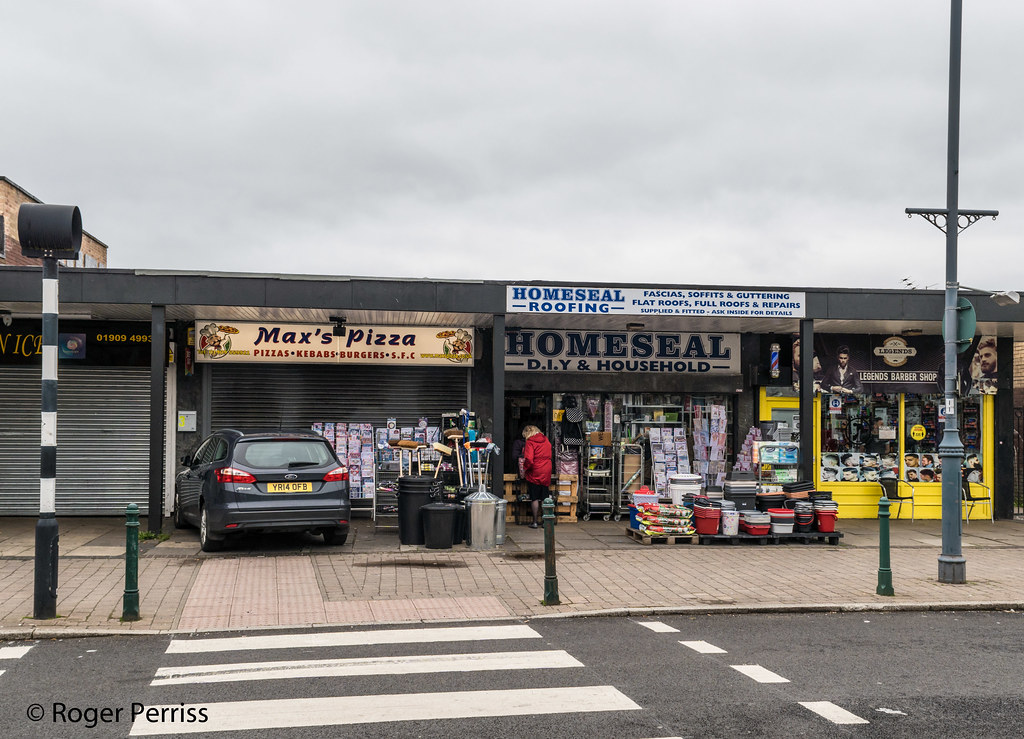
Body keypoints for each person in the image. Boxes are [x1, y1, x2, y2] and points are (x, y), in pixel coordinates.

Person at [521, 425, 553, 528]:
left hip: (535, 470)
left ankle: (535, 522)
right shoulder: (546, 440)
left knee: (534, 497)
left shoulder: (530, 442)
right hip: (546, 469)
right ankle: (545, 522)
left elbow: (529, 460)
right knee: (544, 496)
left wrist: (524, 468)